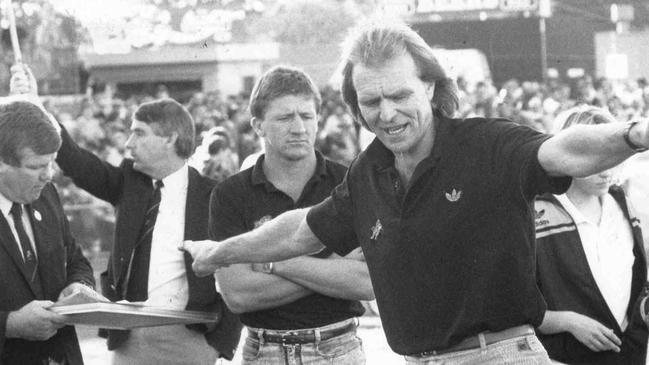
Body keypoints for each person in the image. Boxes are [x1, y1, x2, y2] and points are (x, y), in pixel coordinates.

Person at [181, 19, 649, 364]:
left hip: (500, 355)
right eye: (370, 102)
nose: (386, 114)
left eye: (399, 95)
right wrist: (223, 251)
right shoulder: (368, 172)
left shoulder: (486, 142)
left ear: (430, 86)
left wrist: (633, 134)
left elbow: (564, 151)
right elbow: (301, 230)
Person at [10, 65, 242, 364]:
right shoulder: (128, 184)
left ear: (170, 138)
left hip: (193, 339)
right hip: (129, 339)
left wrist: (219, 345)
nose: (128, 143)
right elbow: (77, 161)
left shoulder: (214, 196)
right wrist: (33, 103)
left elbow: (236, 269)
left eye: (139, 134)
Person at [212, 66, 373, 364]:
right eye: (285, 117)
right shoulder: (230, 194)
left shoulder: (349, 183)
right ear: (258, 126)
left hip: (337, 349)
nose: (299, 127)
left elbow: (366, 283)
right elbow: (238, 295)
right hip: (263, 351)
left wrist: (271, 262)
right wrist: (329, 268)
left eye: (307, 116)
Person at [535, 106, 649, 364]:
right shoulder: (538, 212)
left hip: (629, 351)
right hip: (564, 355)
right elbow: (515, 302)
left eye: (612, 156)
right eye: (596, 157)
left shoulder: (622, 202)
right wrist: (568, 322)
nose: (605, 168)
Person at [0, 98, 95, 364]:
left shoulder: (47, 195)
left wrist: (79, 286)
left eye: (51, 162)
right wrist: (11, 324)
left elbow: (75, 259)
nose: (48, 175)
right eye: (36, 166)